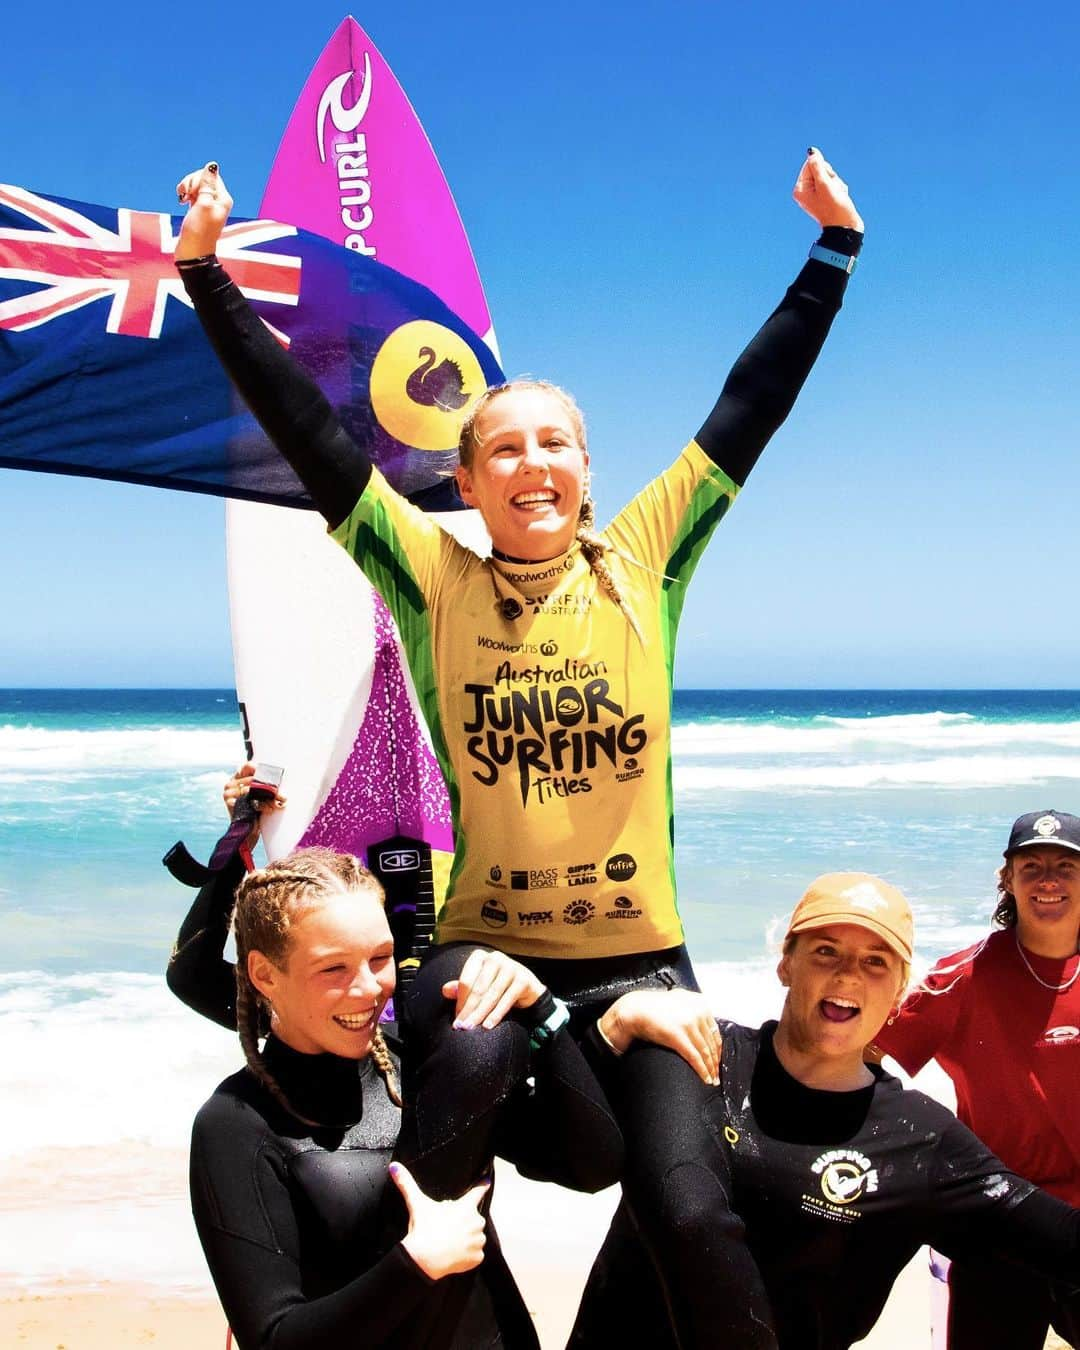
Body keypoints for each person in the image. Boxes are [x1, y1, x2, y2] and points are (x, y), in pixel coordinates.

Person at [171, 147, 861, 1283]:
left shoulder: (644, 564)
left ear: (587, 469)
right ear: (473, 480)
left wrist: (834, 251)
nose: (530, 464)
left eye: (553, 444)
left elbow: (751, 405)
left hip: (643, 957)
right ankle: (424, 1310)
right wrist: (206, 276)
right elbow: (310, 434)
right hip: (483, 950)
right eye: (503, 449)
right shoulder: (435, 579)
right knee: (447, 1173)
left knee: (688, 1219)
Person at [174, 773, 624, 1350]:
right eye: (333, 969)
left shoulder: (424, 1073)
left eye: (381, 958)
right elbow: (274, 1336)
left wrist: (544, 1013)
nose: (368, 989)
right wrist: (414, 1264)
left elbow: (591, 1166)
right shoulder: (238, 1126)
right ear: (264, 974)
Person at [570, 872, 1080, 1350]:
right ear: (785, 962)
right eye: (825, 951)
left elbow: (1055, 1237)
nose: (847, 974)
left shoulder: (920, 1142)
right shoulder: (694, 1051)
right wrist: (607, 1033)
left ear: (900, 992)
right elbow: (564, 1140)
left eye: (876, 961)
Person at [871, 810, 1080, 1349]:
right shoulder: (961, 978)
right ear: (1006, 879)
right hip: (1001, 1218)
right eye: (1031, 865)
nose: (1049, 880)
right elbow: (862, 1051)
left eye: (1065, 866)